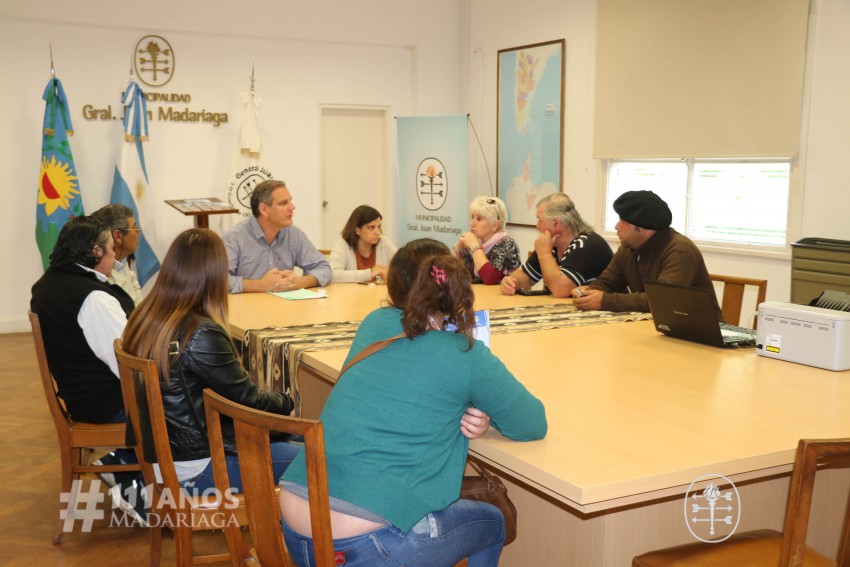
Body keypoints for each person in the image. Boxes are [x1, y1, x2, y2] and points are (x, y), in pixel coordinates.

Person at [280, 248, 548, 567]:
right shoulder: (465, 353)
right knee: (492, 522)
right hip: (363, 547)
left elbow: (402, 389)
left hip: (295, 531)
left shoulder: (375, 322)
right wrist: (483, 413)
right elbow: (532, 423)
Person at [122, 228, 299, 498]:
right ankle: (294, 535)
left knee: (301, 439)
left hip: (163, 458)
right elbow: (248, 400)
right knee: (318, 457)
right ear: (214, 276)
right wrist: (287, 404)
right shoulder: (200, 332)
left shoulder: (145, 316)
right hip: (199, 467)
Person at [30, 216, 142, 518]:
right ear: (95, 252)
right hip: (107, 405)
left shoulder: (46, 285)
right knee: (188, 397)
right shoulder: (94, 298)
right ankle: (145, 485)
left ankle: (121, 465)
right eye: (110, 249)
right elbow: (128, 365)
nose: (115, 255)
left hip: (80, 397)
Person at [572, 190, 721, 317]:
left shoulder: (680, 251)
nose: (616, 227)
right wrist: (588, 292)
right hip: (657, 327)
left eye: (622, 222)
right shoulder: (628, 248)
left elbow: (661, 300)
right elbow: (607, 282)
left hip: (698, 335)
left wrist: (605, 301)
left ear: (642, 228)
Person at [223, 179, 331, 293]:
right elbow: (216, 281)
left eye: (290, 201)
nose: (292, 207)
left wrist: (301, 282)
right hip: (248, 308)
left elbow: (324, 268)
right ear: (264, 209)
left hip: (284, 307)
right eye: (284, 203)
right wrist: (260, 285)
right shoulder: (234, 238)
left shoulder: (293, 234)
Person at [500, 192, 612, 298]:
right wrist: (511, 282)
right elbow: (525, 277)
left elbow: (560, 290)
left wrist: (544, 253)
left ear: (556, 223)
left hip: (611, 314)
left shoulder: (586, 244)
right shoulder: (551, 244)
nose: (537, 226)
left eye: (540, 220)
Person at [454, 196, 521, 285]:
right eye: (472, 217)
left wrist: (475, 248)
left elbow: (491, 279)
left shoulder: (507, 244)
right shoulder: (475, 242)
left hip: (500, 298)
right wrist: (457, 248)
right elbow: (450, 272)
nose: (472, 223)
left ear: (495, 225)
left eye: (478, 219)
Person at [329, 205, 397, 283]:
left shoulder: (384, 243)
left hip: (379, 293)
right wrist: (369, 274)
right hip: (351, 294)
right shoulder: (343, 244)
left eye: (378, 227)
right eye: (371, 228)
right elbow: (332, 274)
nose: (377, 232)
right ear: (358, 230)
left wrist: (391, 273)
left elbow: (404, 266)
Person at [90, 203, 143, 304]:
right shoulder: (101, 271)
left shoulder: (121, 260)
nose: (138, 232)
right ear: (118, 235)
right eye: (134, 227)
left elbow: (141, 307)